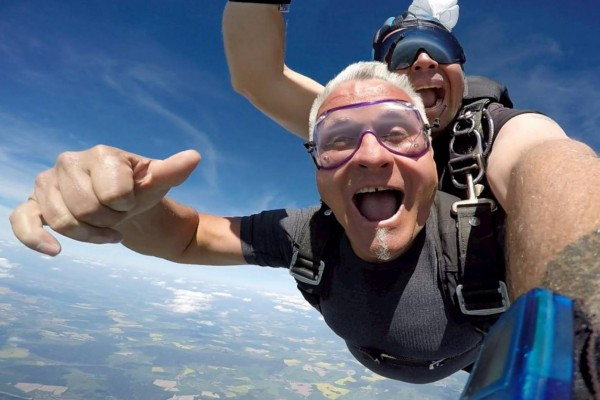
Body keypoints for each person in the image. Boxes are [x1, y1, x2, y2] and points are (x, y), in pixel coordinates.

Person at [8, 62, 600, 397]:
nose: (371, 156)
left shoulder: (481, 237)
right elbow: (186, 237)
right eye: (338, 140)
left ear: (430, 155)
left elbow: (548, 173)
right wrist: (125, 206)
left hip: (467, 360)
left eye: (397, 132)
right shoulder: (306, 237)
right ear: (317, 169)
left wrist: (581, 339)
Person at [222, 1, 600, 315]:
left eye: (441, 48)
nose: (423, 61)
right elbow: (259, 77)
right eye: (401, 52)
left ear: (461, 70)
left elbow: (548, 167)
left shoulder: (496, 132)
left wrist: (580, 314)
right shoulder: (349, 124)